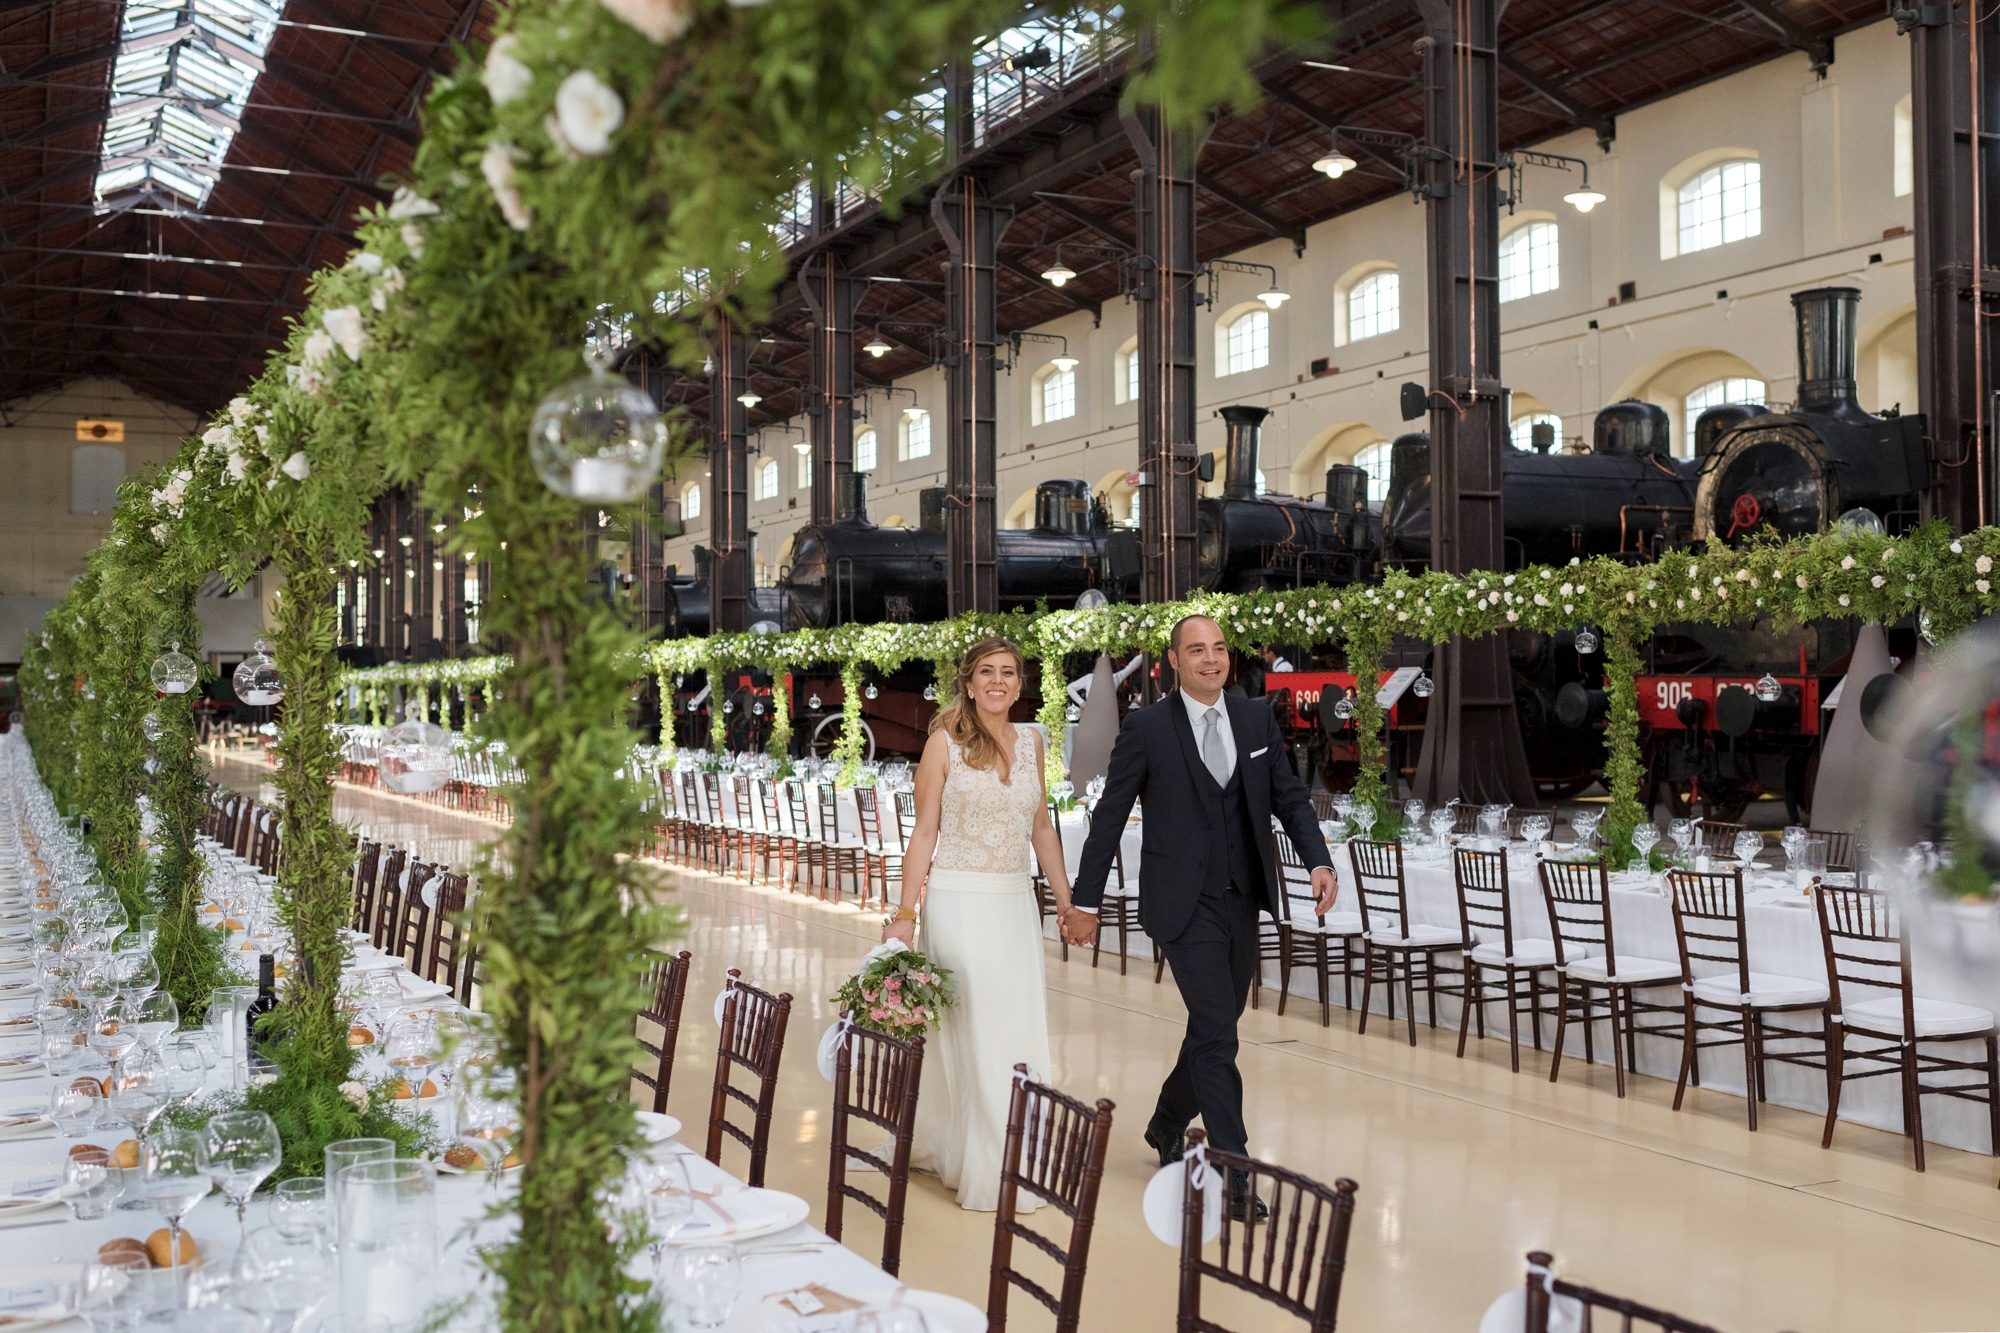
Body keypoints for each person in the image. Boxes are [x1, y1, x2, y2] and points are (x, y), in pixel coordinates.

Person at [1067, 614, 1337, 1218]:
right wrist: (1085, 902)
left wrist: (1318, 862)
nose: (1211, 659)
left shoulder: (1254, 718)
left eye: (1218, 649)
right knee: (1219, 1030)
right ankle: (1234, 1172)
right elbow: (1109, 816)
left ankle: (1166, 1123)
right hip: (1180, 903)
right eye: (1197, 650)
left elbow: (1289, 797)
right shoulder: (1147, 728)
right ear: (1174, 660)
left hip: (1242, 896)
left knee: (1213, 1025)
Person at [882, 636, 1073, 1212]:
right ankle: (995, 1164)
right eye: (987, 672)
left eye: (1008, 673)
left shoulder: (1034, 741)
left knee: (1015, 1027)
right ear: (967, 682)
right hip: (960, 901)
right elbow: (924, 834)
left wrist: (1066, 901)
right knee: (981, 1027)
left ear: (1019, 683)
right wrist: (904, 915)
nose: (998, 681)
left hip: (1015, 904)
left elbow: (1041, 829)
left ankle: (994, 1146)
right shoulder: (944, 743)